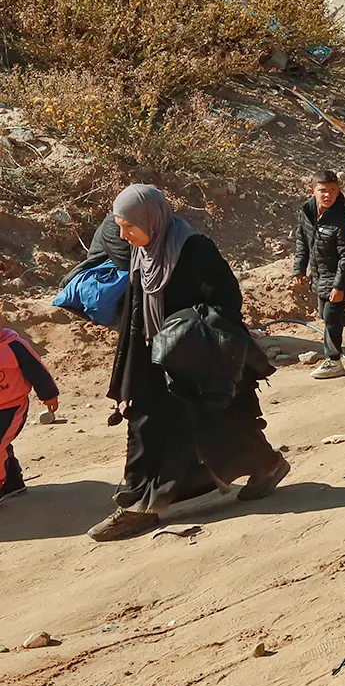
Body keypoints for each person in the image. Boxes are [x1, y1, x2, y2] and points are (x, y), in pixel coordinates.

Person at [90, 185, 288, 542]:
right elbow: (136, 315)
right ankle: (137, 506)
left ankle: (268, 465)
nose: (123, 235)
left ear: (152, 218)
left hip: (197, 360)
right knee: (144, 426)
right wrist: (128, 378)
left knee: (217, 424)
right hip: (155, 358)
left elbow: (228, 301)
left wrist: (185, 331)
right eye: (120, 226)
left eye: (129, 227)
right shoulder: (142, 255)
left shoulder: (195, 250)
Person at [293, 170, 345, 379]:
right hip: (319, 274)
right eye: (323, 191)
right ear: (313, 191)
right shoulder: (307, 213)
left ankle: (334, 360)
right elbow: (302, 241)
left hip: (340, 275)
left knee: (330, 316)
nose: (327, 195)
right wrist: (299, 268)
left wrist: (339, 287)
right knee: (326, 315)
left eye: (332, 190)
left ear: (339, 192)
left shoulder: (342, 221)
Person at [0, 322, 59, 504]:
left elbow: (37, 371)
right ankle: (12, 482)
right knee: (2, 442)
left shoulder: (14, 346)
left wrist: (49, 395)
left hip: (12, 407)